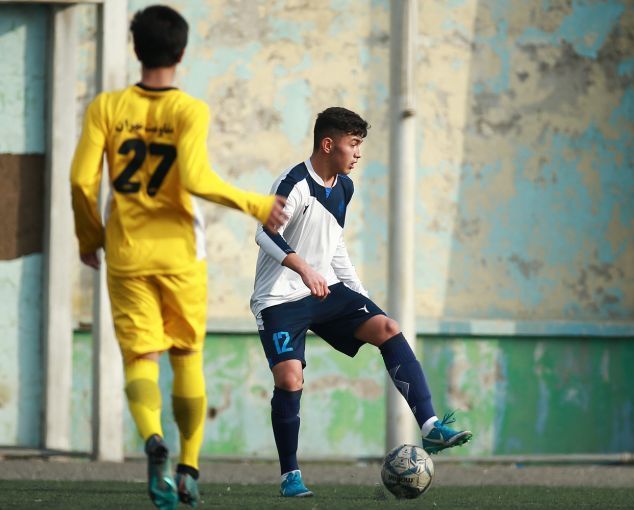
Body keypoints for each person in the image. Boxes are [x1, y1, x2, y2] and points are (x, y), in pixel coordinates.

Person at [70, 5, 287, 509]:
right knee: (186, 355)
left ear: (135, 48)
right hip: (181, 255)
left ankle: (152, 438)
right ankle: (189, 466)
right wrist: (255, 203)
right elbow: (193, 177)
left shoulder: (105, 107)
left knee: (140, 357)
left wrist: (90, 237)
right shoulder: (190, 110)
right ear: (182, 52)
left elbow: (82, 180)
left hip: (126, 253)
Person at [250, 106, 472, 497]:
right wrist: (304, 269)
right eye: (353, 144)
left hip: (325, 290)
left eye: (360, 145)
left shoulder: (344, 188)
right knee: (289, 378)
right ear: (328, 144)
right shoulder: (293, 183)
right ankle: (290, 476)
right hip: (280, 299)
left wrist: (359, 295)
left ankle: (431, 427)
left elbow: (334, 245)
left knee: (387, 327)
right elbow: (265, 234)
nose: (358, 153)